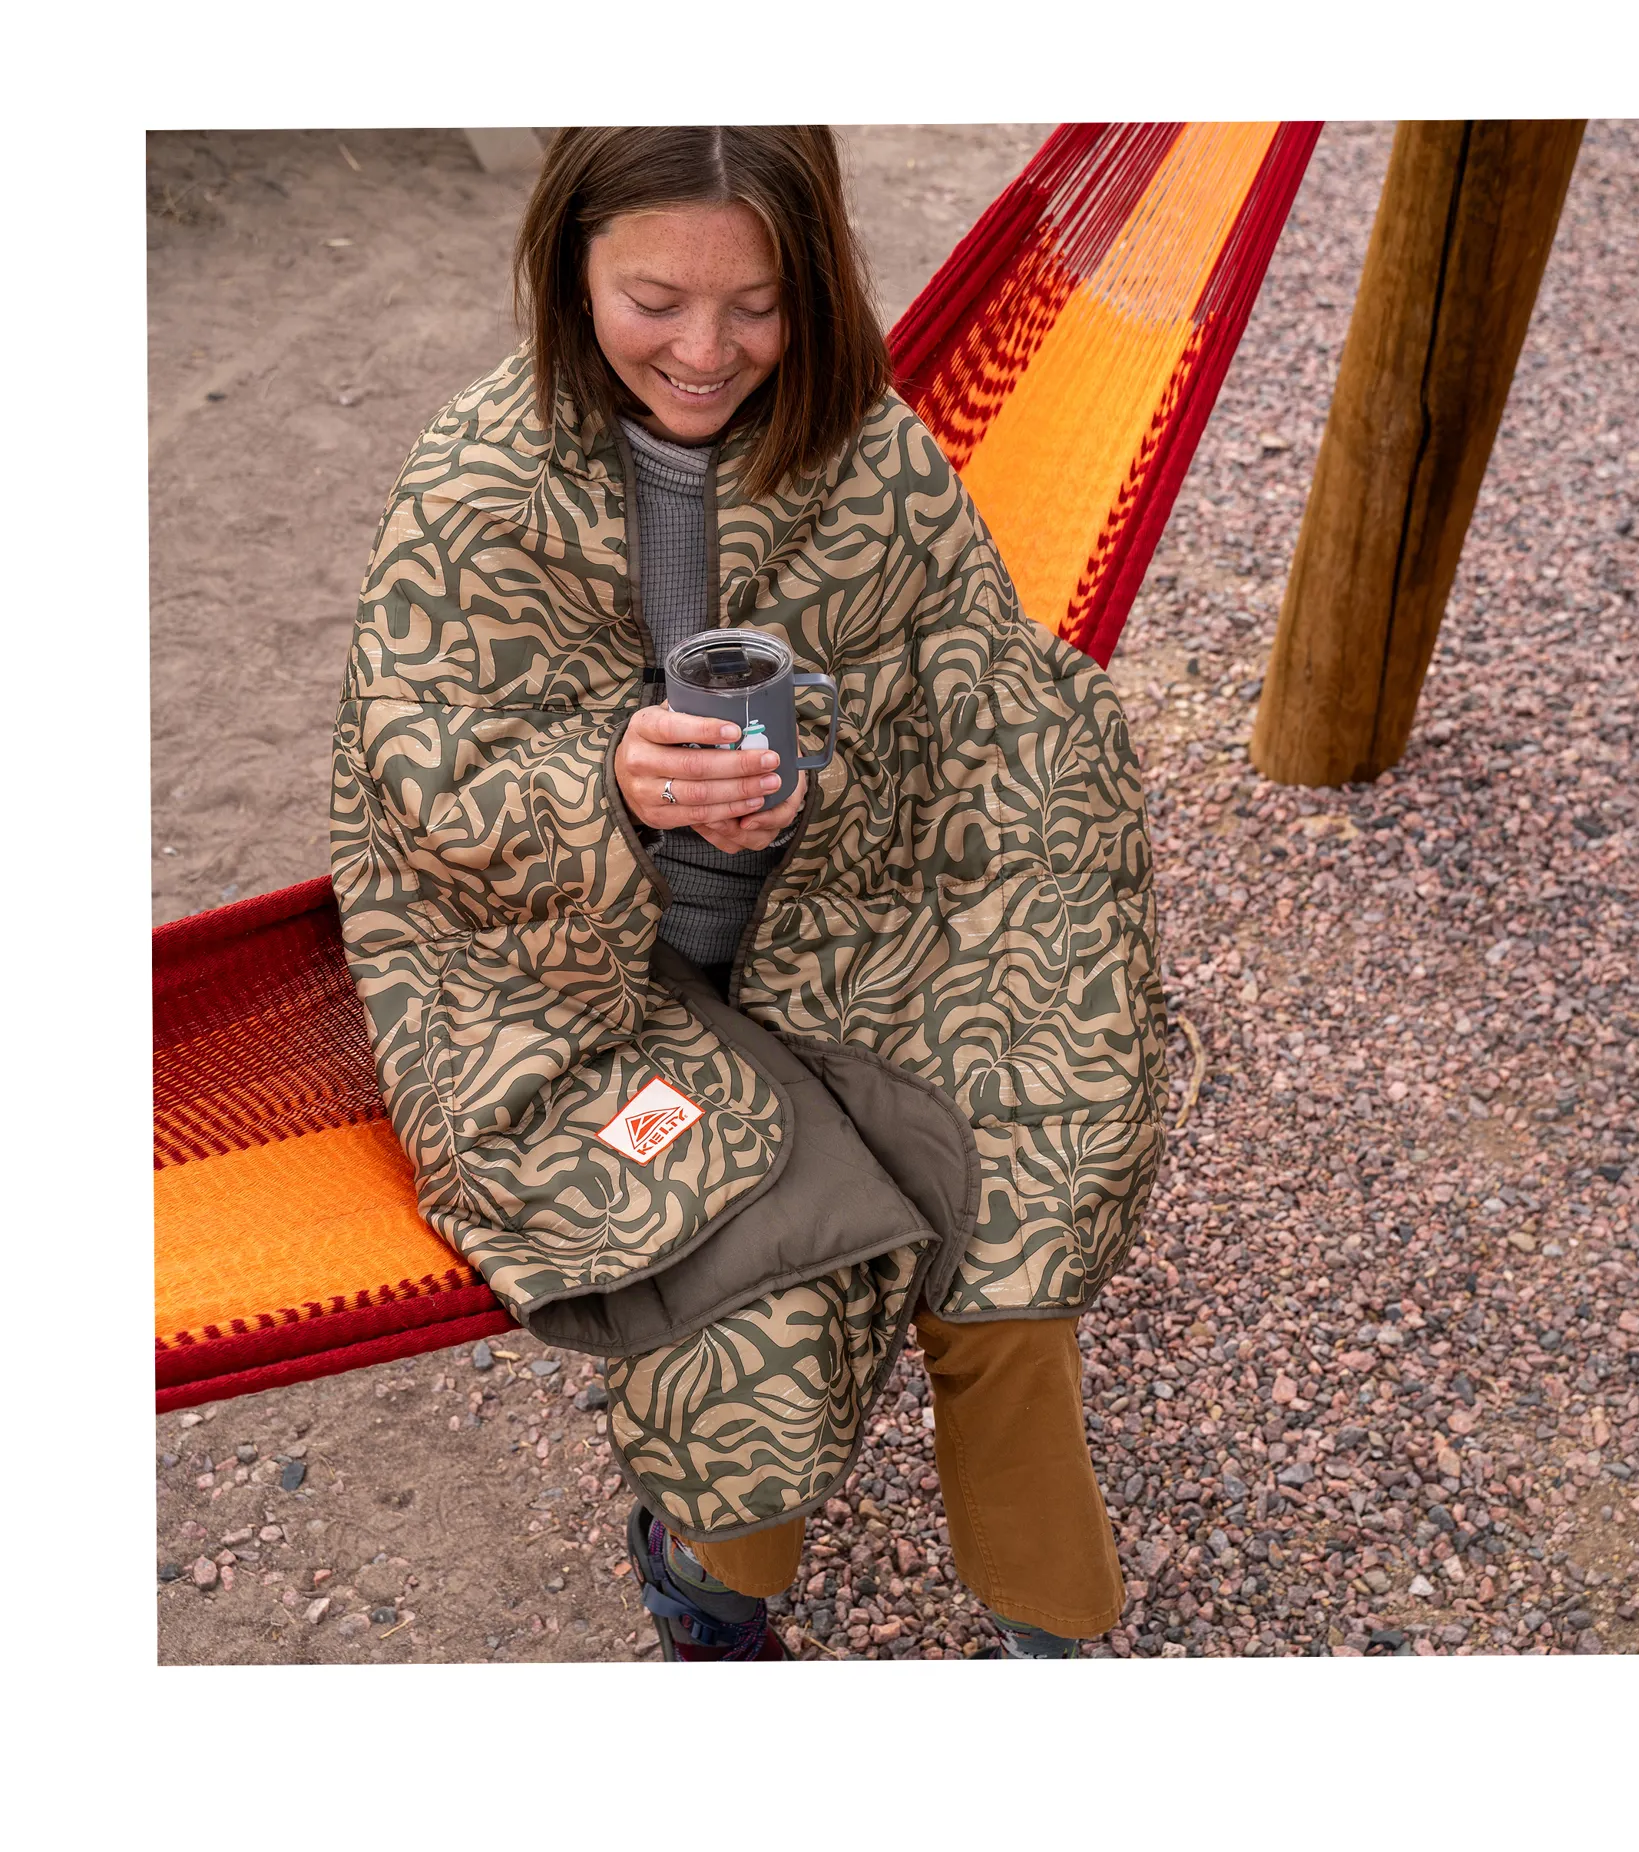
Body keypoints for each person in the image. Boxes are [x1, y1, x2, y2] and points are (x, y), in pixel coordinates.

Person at [330, 127, 1166, 1661]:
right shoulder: (479, 483)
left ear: (815, 287)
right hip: (587, 998)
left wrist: (827, 772)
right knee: (757, 1300)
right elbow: (414, 778)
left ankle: (1055, 1639)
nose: (705, 353)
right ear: (568, 266)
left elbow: (991, 710)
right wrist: (608, 782)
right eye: (654, 300)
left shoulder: (870, 454)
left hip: (860, 929)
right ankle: (711, 1583)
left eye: (759, 305)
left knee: (1013, 1253)